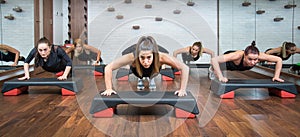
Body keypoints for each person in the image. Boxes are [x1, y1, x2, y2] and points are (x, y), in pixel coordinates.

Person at [101, 36, 189, 97]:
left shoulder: (161, 57)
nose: (146, 61)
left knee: (153, 70)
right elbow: (108, 67)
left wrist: (182, 89)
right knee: (139, 71)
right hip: (138, 72)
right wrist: (109, 89)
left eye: (149, 57)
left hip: (153, 72)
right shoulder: (132, 56)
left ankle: (151, 79)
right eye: (142, 57)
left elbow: (184, 68)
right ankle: (141, 78)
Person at [211, 41, 284, 83]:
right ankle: (212, 69)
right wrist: (220, 76)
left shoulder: (260, 56)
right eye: (250, 59)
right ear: (245, 55)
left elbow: (279, 60)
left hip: (240, 66)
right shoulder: (237, 55)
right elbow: (214, 60)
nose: (252, 62)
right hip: (229, 63)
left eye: (255, 60)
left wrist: (276, 76)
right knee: (216, 70)